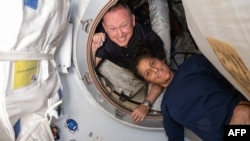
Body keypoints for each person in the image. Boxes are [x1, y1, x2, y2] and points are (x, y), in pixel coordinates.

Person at [131, 41, 250, 141]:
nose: (155, 70)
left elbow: (233, 76)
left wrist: (242, 106)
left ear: (161, 59)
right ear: (149, 81)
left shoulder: (193, 64)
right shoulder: (166, 107)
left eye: (153, 63)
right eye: (148, 73)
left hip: (238, 115)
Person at [91, 1, 167, 122]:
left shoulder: (150, 40)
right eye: (112, 28)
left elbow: (163, 76)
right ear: (105, 27)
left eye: (124, 25)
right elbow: (89, 69)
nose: (120, 34)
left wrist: (146, 104)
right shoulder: (103, 40)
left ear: (132, 20)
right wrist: (94, 47)